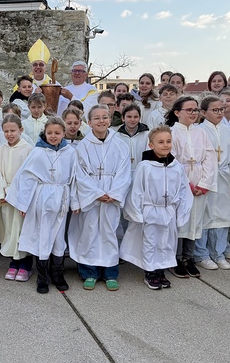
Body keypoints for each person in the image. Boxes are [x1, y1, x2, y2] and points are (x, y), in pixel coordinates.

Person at [8, 117, 78, 293]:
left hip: (62, 197)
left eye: (57, 133)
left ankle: (58, 274)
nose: (53, 136)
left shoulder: (70, 152)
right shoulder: (37, 152)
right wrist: (23, 205)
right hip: (43, 198)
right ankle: (42, 277)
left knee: (58, 238)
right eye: (49, 133)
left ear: (63, 133)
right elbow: (26, 178)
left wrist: (75, 202)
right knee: (43, 236)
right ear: (44, 133)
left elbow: (76, 179)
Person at [122, 126, 193, 289]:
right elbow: (137, 191)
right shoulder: (145, 166)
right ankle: (150, 272)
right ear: (151, 145)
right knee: (150, 241)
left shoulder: (176, 166)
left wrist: (181, 212)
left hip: (169, 211)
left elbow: (184, 190)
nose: (165, 145)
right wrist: (137, 214)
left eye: (168, 141)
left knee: (167, 241)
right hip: (151, 210)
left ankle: (161, 270)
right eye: (160, 142)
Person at [71, 104, 131, 291]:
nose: (101, 121)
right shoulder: (82, 146)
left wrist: (113, 193)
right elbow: (79, 174)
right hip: (92, 197)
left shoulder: (120, 144)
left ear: (110, 119)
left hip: (111, 195)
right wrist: (96, 194)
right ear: (89, 122)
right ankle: (89, 272)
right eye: (96, 118)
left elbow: (124, 172)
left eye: (104, 117)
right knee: (89, 232)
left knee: (109, 232)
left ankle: (110, 272)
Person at [164, 97, 216, 278]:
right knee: (181, 222)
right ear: (177, 112)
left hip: (200, 180)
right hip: (182, 181)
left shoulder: (201, 133)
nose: (193, 113)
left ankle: (189, 257)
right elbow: (171, 160)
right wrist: (188, 185)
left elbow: (210, 158)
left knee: (195, 221)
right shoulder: (172, 132)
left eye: (195, 110)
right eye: (189, 110)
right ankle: (176, 258)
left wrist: (204, 184)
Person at [195, 96, 230, 270]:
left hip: (223, 176)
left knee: (221, 216)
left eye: (221, 109)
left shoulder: (228, 130)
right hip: (206, 178)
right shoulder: (199, 131)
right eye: (215, 110)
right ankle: (202, 254)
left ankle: (218, 253)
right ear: (204, 112)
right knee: (204, 216)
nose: (219, 113)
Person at [0, 114, 34, 282]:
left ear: (21, 130)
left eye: (13, 130)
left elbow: (28, 176)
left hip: (19, 197)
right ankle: (13, 263)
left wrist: (12, 192)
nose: (9, 134)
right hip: (5, 197)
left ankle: (25, 265)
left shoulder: (28, 149)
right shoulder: (2, 149)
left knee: (21, 230)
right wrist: (1, 192)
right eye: (6, 131)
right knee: (8, 230)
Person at [116, 104, 150, 174]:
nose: (132, 120)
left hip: (142, 172)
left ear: (139, 118)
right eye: (129, 117)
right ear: (123, 118)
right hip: (123, 173)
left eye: (135, 117)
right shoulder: (117, 137)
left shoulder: (147, 135)